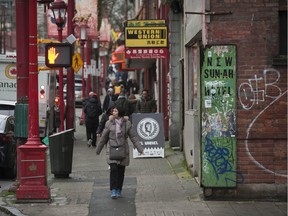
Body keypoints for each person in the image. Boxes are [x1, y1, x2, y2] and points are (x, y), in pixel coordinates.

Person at [95, 105, 144, 199]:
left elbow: (133, 137)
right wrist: (98, 150)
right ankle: (113, 189)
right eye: (113, 111)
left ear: (120, 112)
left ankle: (118, 189)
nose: (113, 113)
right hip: (112, 149)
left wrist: (140, 149)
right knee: (113, 169)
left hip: (123, 150)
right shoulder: (108, 123)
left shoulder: (127, 123)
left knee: (121, 171)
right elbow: (103, 138)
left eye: (115, 111)